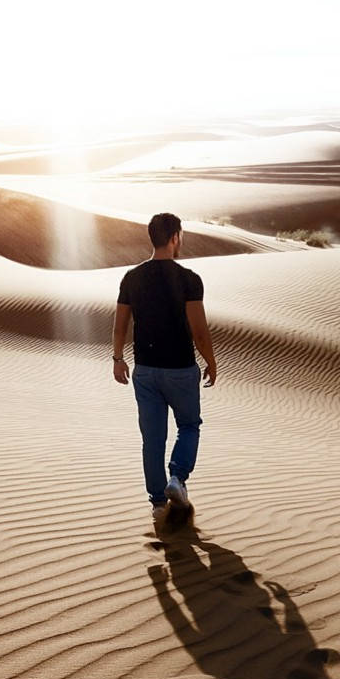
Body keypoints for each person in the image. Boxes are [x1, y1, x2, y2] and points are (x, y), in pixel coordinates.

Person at [113, 213, 218, 517]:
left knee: (153, 439)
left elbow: (120, 326)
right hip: (181, 371)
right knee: (189, 426)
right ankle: (177, 478)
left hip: (144, 371)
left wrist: (118, 359)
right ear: (174, 237)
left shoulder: (131, 278)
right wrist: (210, 361)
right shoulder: (189, 279)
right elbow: (199, 330)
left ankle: (158, 504)